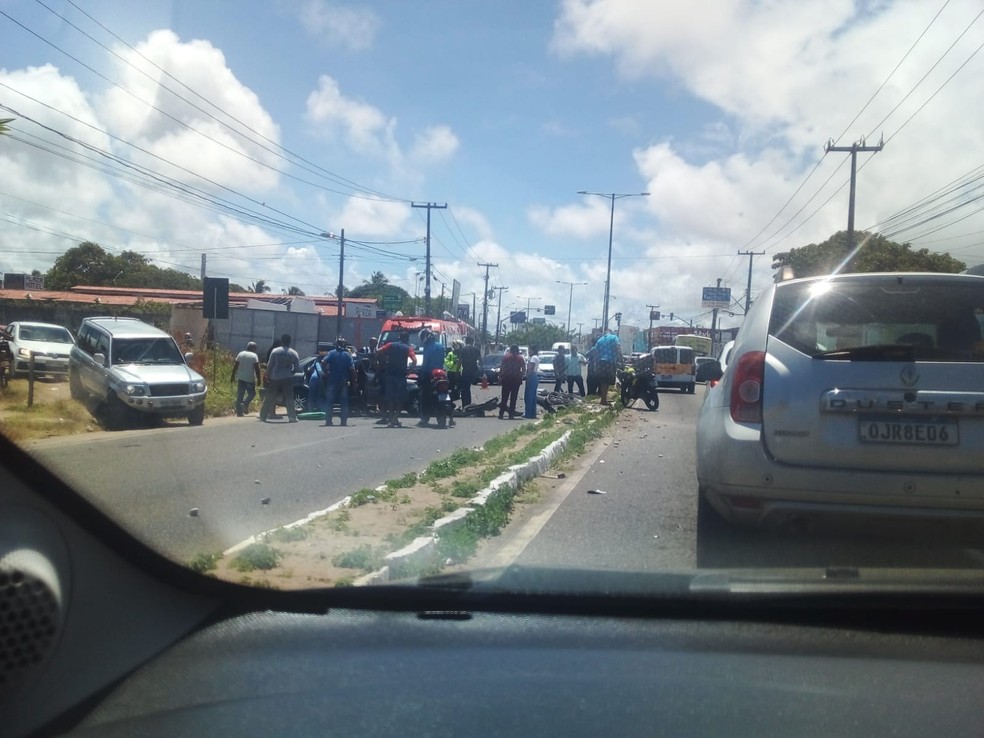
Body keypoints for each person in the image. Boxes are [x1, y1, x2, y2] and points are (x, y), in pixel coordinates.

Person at [375, 330, 416, 427]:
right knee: (400, 398)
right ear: (407, 339)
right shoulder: (408, 348)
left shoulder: (390, 345)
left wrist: (377, 362)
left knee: (390, 398)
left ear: (399, 337)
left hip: (389, 375)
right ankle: (395, 418)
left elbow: (378, 351)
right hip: (401, 375)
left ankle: (391, 417)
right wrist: (409, 371)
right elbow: (414, 360)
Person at [259, 333, 300, 423]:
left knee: (270, 396)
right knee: (289, 397)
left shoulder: (275, 351)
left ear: (282, 341)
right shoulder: (294, 353)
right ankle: (292, 417)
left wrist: (268, 375)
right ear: (289, 342)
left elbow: (270, 366)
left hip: (275, 376)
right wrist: (290, 373)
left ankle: (263, 416)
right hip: (287, 377)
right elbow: (297, 368)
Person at [322, 337, 356, 427]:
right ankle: (343, 422)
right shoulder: (347, 355)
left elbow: (323, 361)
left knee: (330, 401)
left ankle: (328, 421)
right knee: (344, 402)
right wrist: (354, 381)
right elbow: (352, 369)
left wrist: (326, 372)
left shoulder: (331, 353)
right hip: (343, 381)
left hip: (332, 381)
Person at [417, 329, 446, 427]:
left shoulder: (428, 347)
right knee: (446, 392)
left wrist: (420, 373)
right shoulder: (440, 346)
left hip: (429, 374)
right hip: (441, 373)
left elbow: (425, 363)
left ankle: (425, 417)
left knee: (424, 395)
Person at [230, 341, 261, 416]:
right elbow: (257, 368)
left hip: (241, 377)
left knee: (240, 394)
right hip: (249, 378)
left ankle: (239, 412)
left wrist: (233, 375)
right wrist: (259, 379)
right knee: (252, 393)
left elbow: (235, 366)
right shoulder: (254, 356)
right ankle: (244, 404)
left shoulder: (241, 354)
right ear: (253, 348)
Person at [593, 329, 622, 406]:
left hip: (601, 361)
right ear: (611, 332)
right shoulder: (614, 337)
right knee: (607, 381)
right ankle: (603, 400)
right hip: (610, 361)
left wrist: (596, 364)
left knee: (603, 380)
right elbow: (617, 348)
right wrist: (621, 360)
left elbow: (595, 352)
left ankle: (603, 398)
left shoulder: (600, 340)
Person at [498, 344, 525, 419]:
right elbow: (523, 369)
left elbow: (502, 367)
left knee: (504, 397)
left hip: (506, 379)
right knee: (513, 398)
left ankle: (501, 414)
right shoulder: (520, 358)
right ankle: (511, 414)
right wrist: (520, 375)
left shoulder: (506, 357)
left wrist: (500, 377)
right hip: (516, 380)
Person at [456, 335, 482, 408]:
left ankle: (466, 404)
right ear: (472, 342)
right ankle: (467, 404)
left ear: (466, 341)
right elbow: (480, 361)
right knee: (467, 387)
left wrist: (457, 371)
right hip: (474, 371)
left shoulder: (463, 350)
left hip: (466, 372)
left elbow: (460, 361)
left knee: (465, 388)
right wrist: (483, 372)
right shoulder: (476, 350)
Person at [523, 346, 541, 419]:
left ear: (533, 350)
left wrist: (527, 376)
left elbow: (531, 368)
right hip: (535, 376)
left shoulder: (533, 358)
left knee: (528, 396)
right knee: (533, 396)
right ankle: (532, 413)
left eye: (530, 350)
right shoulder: (537, 357)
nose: (529, 352)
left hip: (532, 376)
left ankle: (528, 413)